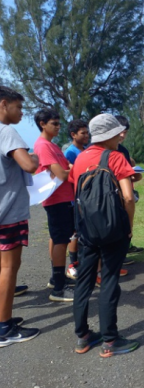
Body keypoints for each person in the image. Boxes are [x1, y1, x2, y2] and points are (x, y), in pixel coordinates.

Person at [69, 113, 139, 357]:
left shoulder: (79, 159)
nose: (122, 135)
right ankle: (110, 340)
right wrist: (128, 226)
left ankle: (83, 337)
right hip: (113, 229)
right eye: (119, 132)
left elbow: (76, 190)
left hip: (86, 230)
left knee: (84, 282)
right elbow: (129, 197)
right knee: (109, 281)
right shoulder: (117, 157)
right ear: (109, 135)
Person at [0, 85, 40, 346]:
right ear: (3, 104)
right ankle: (4, 329)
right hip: (8, 212)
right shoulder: (7, 132)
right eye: (18, 107)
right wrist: (35, 157)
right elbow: (29, 165)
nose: (22, 113)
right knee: (8, 268)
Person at [34, 108, 75, 302]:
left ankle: (56, 278)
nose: (59, 127)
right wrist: (77, 171)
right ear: (42, 124)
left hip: (65, 198)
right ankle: (59, 289)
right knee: (61, 240)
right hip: (56, 199)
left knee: (61, 238)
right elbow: (63, 173)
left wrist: (71, 170)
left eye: (59, 123)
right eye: (54, 124)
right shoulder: (43, 146)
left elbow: (67, 167)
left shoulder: (53, 145)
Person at [63, 119, 90, 279]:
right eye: (83, 133)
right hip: (76, 198)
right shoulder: (71, 152)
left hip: (87, 197)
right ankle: (73, 265)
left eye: (87, 132)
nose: (87, 135)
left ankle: (83, 261)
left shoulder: (86, 150)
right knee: (75, 232)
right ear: (73, 135)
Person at [114, 115, 144, 255]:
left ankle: (124, 250)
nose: (122, 135)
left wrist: (135, 176)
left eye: (125, 132)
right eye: (120, 131)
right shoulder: (102, 150)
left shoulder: (124, 151)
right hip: (109, 195)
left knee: (123, 224)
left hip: (123, 193)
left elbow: (126, 175)